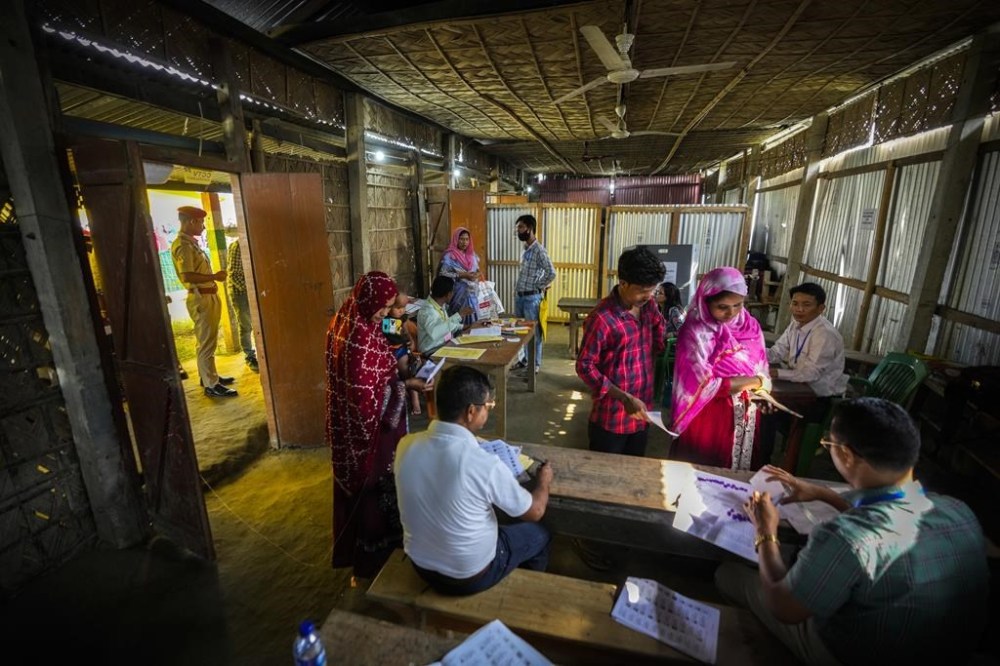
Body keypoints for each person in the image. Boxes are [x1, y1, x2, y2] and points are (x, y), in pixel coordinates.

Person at [721, 398, 989, 666]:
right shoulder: (958, 511)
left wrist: (765, 531)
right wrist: (822, 493)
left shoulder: (844, 535)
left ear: (846, 455)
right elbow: (889, 515)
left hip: (856, 655)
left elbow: (784, 608)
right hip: (947, 651)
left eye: (830, 446)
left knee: (729, 574)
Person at [395, 365, 553, 595]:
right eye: (487, 406)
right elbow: (535, 511)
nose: (488, 411)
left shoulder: (406, 445)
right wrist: (544, 481)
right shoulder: (484, 464)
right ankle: (526, 597)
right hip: (469, 576)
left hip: (422, 565)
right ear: (470, 412)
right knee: (540, 534)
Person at [325, 271, 429, 578]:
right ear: (369, 300)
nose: (384, 313)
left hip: (358, 425)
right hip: (369, 431)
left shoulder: (348, 319)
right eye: (382, 307)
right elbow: (362, 398)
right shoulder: (357, 336)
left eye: (389, 307)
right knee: (375, 488)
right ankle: (373, 559)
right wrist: (404, 386)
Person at [670, 267, 769, 470]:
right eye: (722, 306)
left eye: (738, 305)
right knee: (705, 468)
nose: (731, 313)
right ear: (706, 302)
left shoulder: (751, 326)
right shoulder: (696, 330)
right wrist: (756, 382)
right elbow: (702, 383)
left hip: (746, 412)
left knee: (739, 476)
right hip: (710, 413)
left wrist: (763, 387)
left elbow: (761, 364)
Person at [576, 247, 666, 457]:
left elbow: (658, 332)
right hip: (611, 419)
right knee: (606, 476)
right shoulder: (602, 319)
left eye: (653, 289)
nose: (650, 295)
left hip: (643, 412)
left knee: (634, 469)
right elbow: (584, 366)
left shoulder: (648, 305)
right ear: (623, 282)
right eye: (643, 289)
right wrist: (624, 397)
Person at [760, 282, 848, 463]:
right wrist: (753, 354)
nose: (799, 309)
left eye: (806, 305)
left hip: (819, 398)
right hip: (799, 388)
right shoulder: (796, 324)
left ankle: (767, 462)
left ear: (821, 308)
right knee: (762, 405)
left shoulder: (824, 334)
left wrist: (776, 373)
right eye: (795, 303)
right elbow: (777, 351)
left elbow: (810, 374)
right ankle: (764, 457)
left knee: (766, 413)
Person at [170, 206, 236, 398]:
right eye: (201, 222)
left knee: (206, 340)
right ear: (191, 221)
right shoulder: (182, 244)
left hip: (207, 295)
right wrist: (215, 276)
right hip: (201, 297)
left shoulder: (191, 243)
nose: (204, 227)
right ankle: (211, 385)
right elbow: (187, 275)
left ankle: (208, 376)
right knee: (207, 341)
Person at [513, 214, 556, 372]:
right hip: (520, 296)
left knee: (533, 333)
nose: (518, 231)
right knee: (521, 331)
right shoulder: (525, 249)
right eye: (518, 228)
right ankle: (524, 359)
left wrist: (539, 285)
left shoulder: (539, 250)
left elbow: (551, 272)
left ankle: (535, 364)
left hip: (532, 298)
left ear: (530, 229)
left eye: (521, 227)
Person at [383, 292, 423, 415]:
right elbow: (393, 337)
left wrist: (411, 341)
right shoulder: (385, 320)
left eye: (403, 308)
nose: (401, 311)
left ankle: (415, 401)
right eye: (398, 308)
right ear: (389, 308)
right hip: (390, 352)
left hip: (401, 350)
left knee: (408, 371)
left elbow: (406, 333)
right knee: (397, 376)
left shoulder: (402, 318)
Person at [416, 275, 471, 354]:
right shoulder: (427, 311)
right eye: (452, 292)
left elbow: (446, 324)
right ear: (448, 294)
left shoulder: (440, 305)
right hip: (432, 351)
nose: (453, 294)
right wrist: (459, 315)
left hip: (444, 345)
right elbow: (436, 332)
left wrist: (463, 327)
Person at [226, 237, 258, 372]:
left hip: (250, 290)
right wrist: (252, 292)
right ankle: (249, 356)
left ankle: (259, 354)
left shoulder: (254, 242)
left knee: (257, 324)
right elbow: (235, 275)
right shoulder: (238, 246)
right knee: (246, 326)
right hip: (241, 292)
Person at [439, 227, 481, 326]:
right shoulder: (450, 256)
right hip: (458, 292)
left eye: (467, 239)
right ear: (456, 239)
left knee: (473, 317)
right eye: (461, 239)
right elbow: (443, 273)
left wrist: (476, 275)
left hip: (471, 293)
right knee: (459, 320)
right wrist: (461, 275)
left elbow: (478, 270)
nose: (464, 242)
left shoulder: (471, 254)